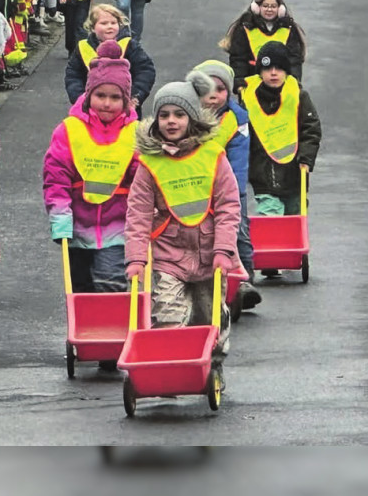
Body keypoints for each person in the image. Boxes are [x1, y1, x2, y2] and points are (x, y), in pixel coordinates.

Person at [124, 75, 240, 386]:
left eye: (179, 114)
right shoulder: (150, 164)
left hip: (210, 253)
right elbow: (137, 214)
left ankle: (213, 365)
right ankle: (171, 371)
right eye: (164, 115)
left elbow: (228, 207)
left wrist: (224, 250)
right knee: (168, 313)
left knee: (209, 317)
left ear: (192, 118)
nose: (171, 121)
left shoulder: (213, 156)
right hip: (168, 254)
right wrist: (136, 258)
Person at [44, 57, 139, 327]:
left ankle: (111, 332)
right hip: (78, 225)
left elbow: (142, 180)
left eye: (115, 97)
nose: (107, 103)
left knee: (111, 281)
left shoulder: (135, 133)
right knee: (81, 288)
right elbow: (56, 176)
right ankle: (87, 333)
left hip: (118, 226)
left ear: (126, 101)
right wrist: (60, 216)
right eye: (100, 96)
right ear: (88, 95)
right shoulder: (69, 130)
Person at [240, 42, 321, 279]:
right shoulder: (249, 99)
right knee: (270, 213)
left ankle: (291, 251)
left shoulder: (298, 96)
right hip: (263, 172)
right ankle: (271, 257)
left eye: (278, 68)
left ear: (286, 71)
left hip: (294, 172)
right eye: (267, 69)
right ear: (260, 72)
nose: (273, 73)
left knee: (294, 215)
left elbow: (311, 129)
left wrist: (306, 158)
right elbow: (242, 134)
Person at [189, 59, 261, 310]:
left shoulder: (236, 119)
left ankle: (244, 279)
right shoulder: (186, 115)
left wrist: (235, 192)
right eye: (207, 90)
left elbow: (239, 159)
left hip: (228, 186)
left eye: (220, 90)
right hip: (195, 186)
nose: (213, 96)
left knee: (238, 230)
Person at [64, 3, 156, 110]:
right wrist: (79, 98)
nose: (109, 26)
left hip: (126, 107)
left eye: (113, 23)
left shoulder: (129, 45)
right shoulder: (83, 48)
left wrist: (135, 95)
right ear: (92, 27)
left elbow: (145, 70)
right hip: (91, 107)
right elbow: (73, 75)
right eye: (104, 23)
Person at [221, 0, 308, 91]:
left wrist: (295, 82)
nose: (269, 10)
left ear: (280, 9)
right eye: (265, 6)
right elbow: (239, 59)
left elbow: (294, 60)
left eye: (273, 6)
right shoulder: (245, 29)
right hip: (252, 86)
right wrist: (239, 83)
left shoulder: (289, 29)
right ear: (256, 7)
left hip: (282, 86)